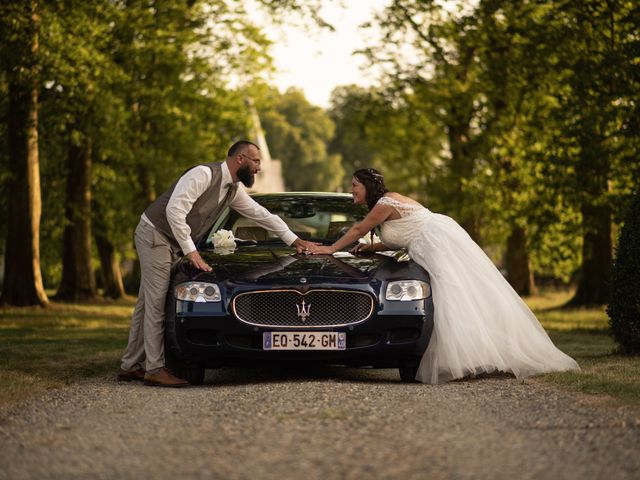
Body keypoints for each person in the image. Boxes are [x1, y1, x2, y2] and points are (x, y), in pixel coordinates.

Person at [307, 168, 580, 384]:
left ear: (367, 186)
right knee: (453, 297)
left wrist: (330, 248)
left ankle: (473, 358)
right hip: (426, 242)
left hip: (436, 243)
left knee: (454, 296)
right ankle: (475, 356)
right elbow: (401, 235)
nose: (351, 189)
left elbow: (357, 229)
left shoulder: (384, 204)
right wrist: (373, 247)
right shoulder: (387, 203)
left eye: (354, 185)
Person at [118, 140, 317, 387]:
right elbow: (174, 211)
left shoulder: (232, 189)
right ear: (240, 160)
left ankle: (129, 366)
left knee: (147, 303)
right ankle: (155, 368)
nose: (259, 168)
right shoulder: (202, 174)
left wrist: (294, 239)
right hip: (155, 234)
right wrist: (192, 253)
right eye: (256, 161)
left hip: (171, 239)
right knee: (157, 301)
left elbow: (260, 214)